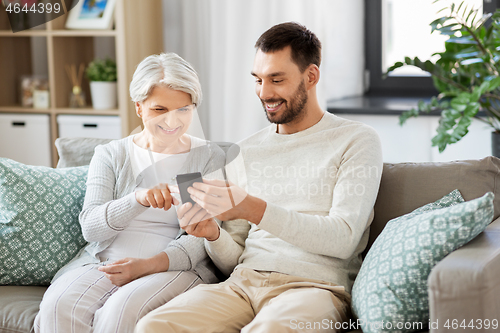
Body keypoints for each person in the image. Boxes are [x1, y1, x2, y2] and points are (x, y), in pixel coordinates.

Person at [136, 22, 383, 333]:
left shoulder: (356, 140)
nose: (265, 93)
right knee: (153, 326)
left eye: (277, 80)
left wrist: (251, 207)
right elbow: (233, 258)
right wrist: (212, 234)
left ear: (311, 76)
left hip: (313, 290)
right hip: (242, 285)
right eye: (258, 80)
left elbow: (343, 239)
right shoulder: (246, 150)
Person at [34, 53, 225, 333]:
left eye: (183, 110)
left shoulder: (206, 157)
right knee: (59, 306)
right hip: (104, 261)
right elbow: (91, 227)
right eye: (160, 109)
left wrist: (146, 266)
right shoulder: (111, 154)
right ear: (139, 107)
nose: (173, 121)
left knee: (120, 312)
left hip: (173, 267)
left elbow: (202, 236)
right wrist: (138, 198)